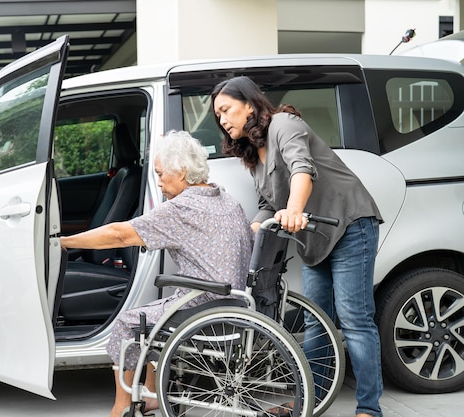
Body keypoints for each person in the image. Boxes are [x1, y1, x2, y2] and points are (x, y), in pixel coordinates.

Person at [211, 76, 383, 417]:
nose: (222, 119)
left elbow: (302, 169)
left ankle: (369, 409)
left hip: (348, 223)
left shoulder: (283, 124)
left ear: (249, 103)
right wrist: (254, 229)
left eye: (226, 109)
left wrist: (293, 209)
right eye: (218, 116)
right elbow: (266, 201)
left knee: (354, 319)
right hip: (314, 239)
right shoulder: (253, 154)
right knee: (316, 321)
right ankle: (312, 400)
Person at [60, 130, 254, 417]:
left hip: (203, 308)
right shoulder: (226, 200)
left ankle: (120, 406)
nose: (159, 182)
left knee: (129, 322)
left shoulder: (182, 208)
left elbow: (118, 234)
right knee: (154, 311)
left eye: (162, 174)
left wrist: (62, 241)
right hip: (235, 304)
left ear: (183, 171)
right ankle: (150, 395)